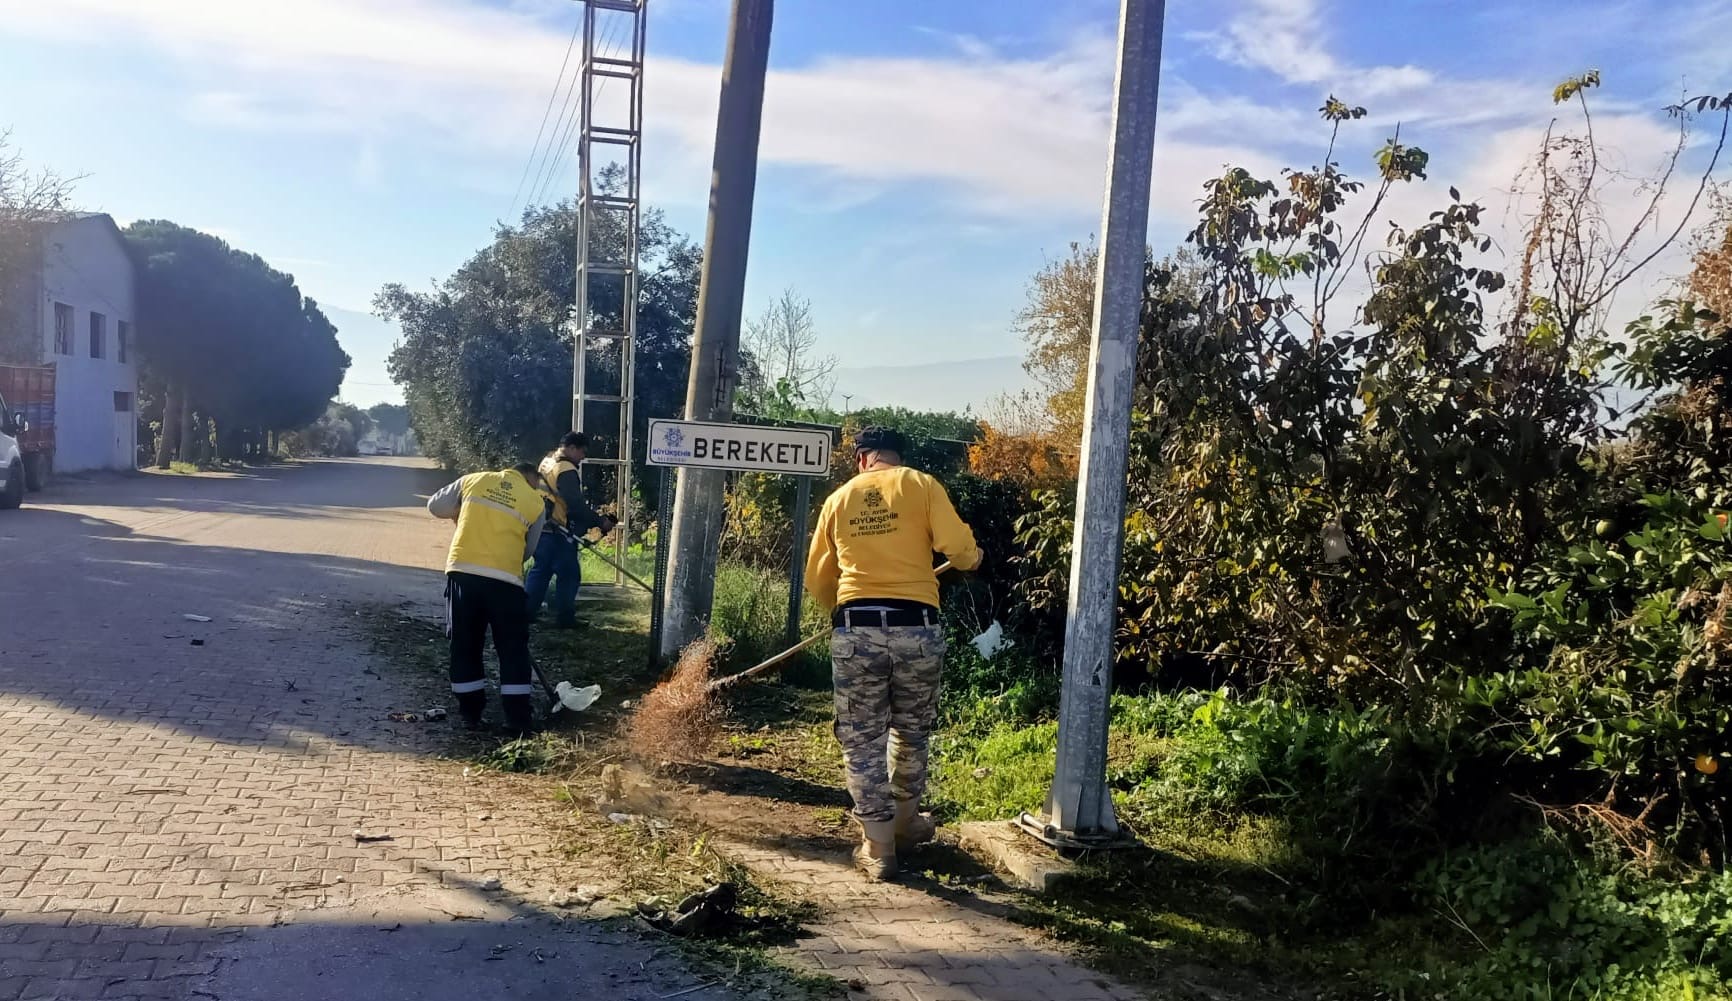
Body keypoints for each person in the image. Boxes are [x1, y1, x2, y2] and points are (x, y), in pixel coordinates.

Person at [804, 426, 982, 879]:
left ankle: (879, 848)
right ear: (895, 456)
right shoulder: (920, 485)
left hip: (857, 628)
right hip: (917, 628)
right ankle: (906, 823)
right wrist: (972, 559)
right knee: (910, 731)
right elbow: (959, 551)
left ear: (864, 458)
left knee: (862, 739)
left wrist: (840, 612)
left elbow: (819, 580)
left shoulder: (839, 499)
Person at [427, 461, 548, 734]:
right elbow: (528, 551)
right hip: (506, 581)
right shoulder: (535, 501)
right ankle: (517, 719)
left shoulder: (474, 480)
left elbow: (435, 507)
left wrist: (460, 511)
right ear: (531, 478)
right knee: (513, 649)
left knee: (465, 644)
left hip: (463, 573)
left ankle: (470, 712)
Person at [526, 432, 616, 629]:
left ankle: (526, 612)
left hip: (542, 525)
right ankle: (565, 619)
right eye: (582, 452)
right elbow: (574, 505)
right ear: (572, 448)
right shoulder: (566, 469)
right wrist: (600, 521)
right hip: (558, 531)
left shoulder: (548, 461)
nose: (583, 457)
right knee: (569, 575)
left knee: (541, 571)